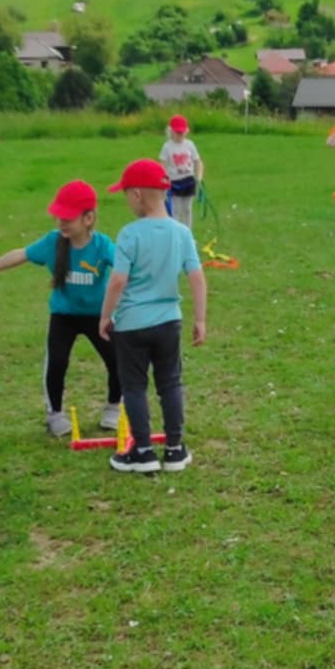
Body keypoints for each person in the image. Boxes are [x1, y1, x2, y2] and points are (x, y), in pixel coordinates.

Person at [0, 180, 121, 438]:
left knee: (117, 360)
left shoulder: (102, 245)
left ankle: (113, 407)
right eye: (59, 217)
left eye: (68, 218)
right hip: (64, 316)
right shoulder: (53, 242)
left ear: (88, 218)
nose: (61, 223)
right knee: (56, 362)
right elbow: (21, 254)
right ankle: (54, 414)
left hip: (97, 316)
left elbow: (124, 267)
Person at [99, 159, 208, 473]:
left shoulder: (129, 234)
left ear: (136, 195)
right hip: (168, 323)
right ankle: (174, 450)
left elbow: (118, 281)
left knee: (134, 386)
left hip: (131, 325)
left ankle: (143, 452)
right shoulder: (182, 232)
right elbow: (197, 277)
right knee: (170, 384)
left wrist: (105, 316)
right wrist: (200, 320)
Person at [159, 114, 202, 229]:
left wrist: (199, 177)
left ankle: (188, 232)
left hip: (189, 181)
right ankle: (176, 232)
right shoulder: (167, 147)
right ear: (171, 131)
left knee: (187, 209)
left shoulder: (190, 145)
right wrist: (164, 180)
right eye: (177, 133)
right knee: (176, 210)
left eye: (182, 133)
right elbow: (162, 164)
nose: (180, 135)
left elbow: (197, 161)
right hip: (174, 182)